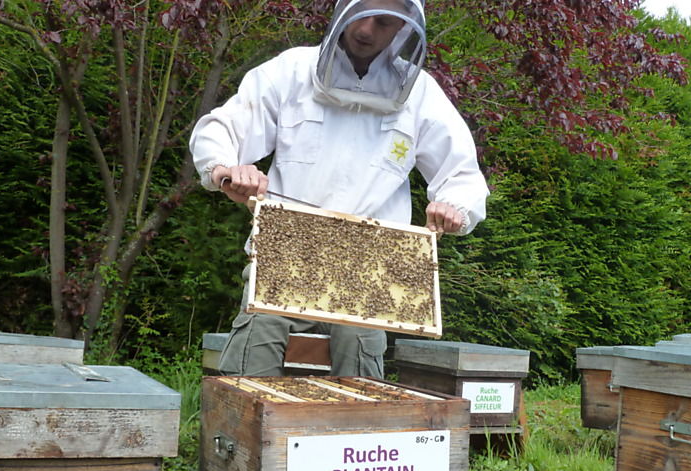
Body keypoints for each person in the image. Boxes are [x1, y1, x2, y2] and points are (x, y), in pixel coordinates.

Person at [189, 0, 489, 378]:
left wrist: (453, 207)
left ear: (403, 29)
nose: (366, 30)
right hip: (283, 258)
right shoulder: (292, 70)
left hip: (369, 271)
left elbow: (462, 172)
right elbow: (224, 127)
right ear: (343, 12)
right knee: (251, 376)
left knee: (358, 389)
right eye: (361, 15)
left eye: (383, 23)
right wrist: (226, 170)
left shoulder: (420, 94)